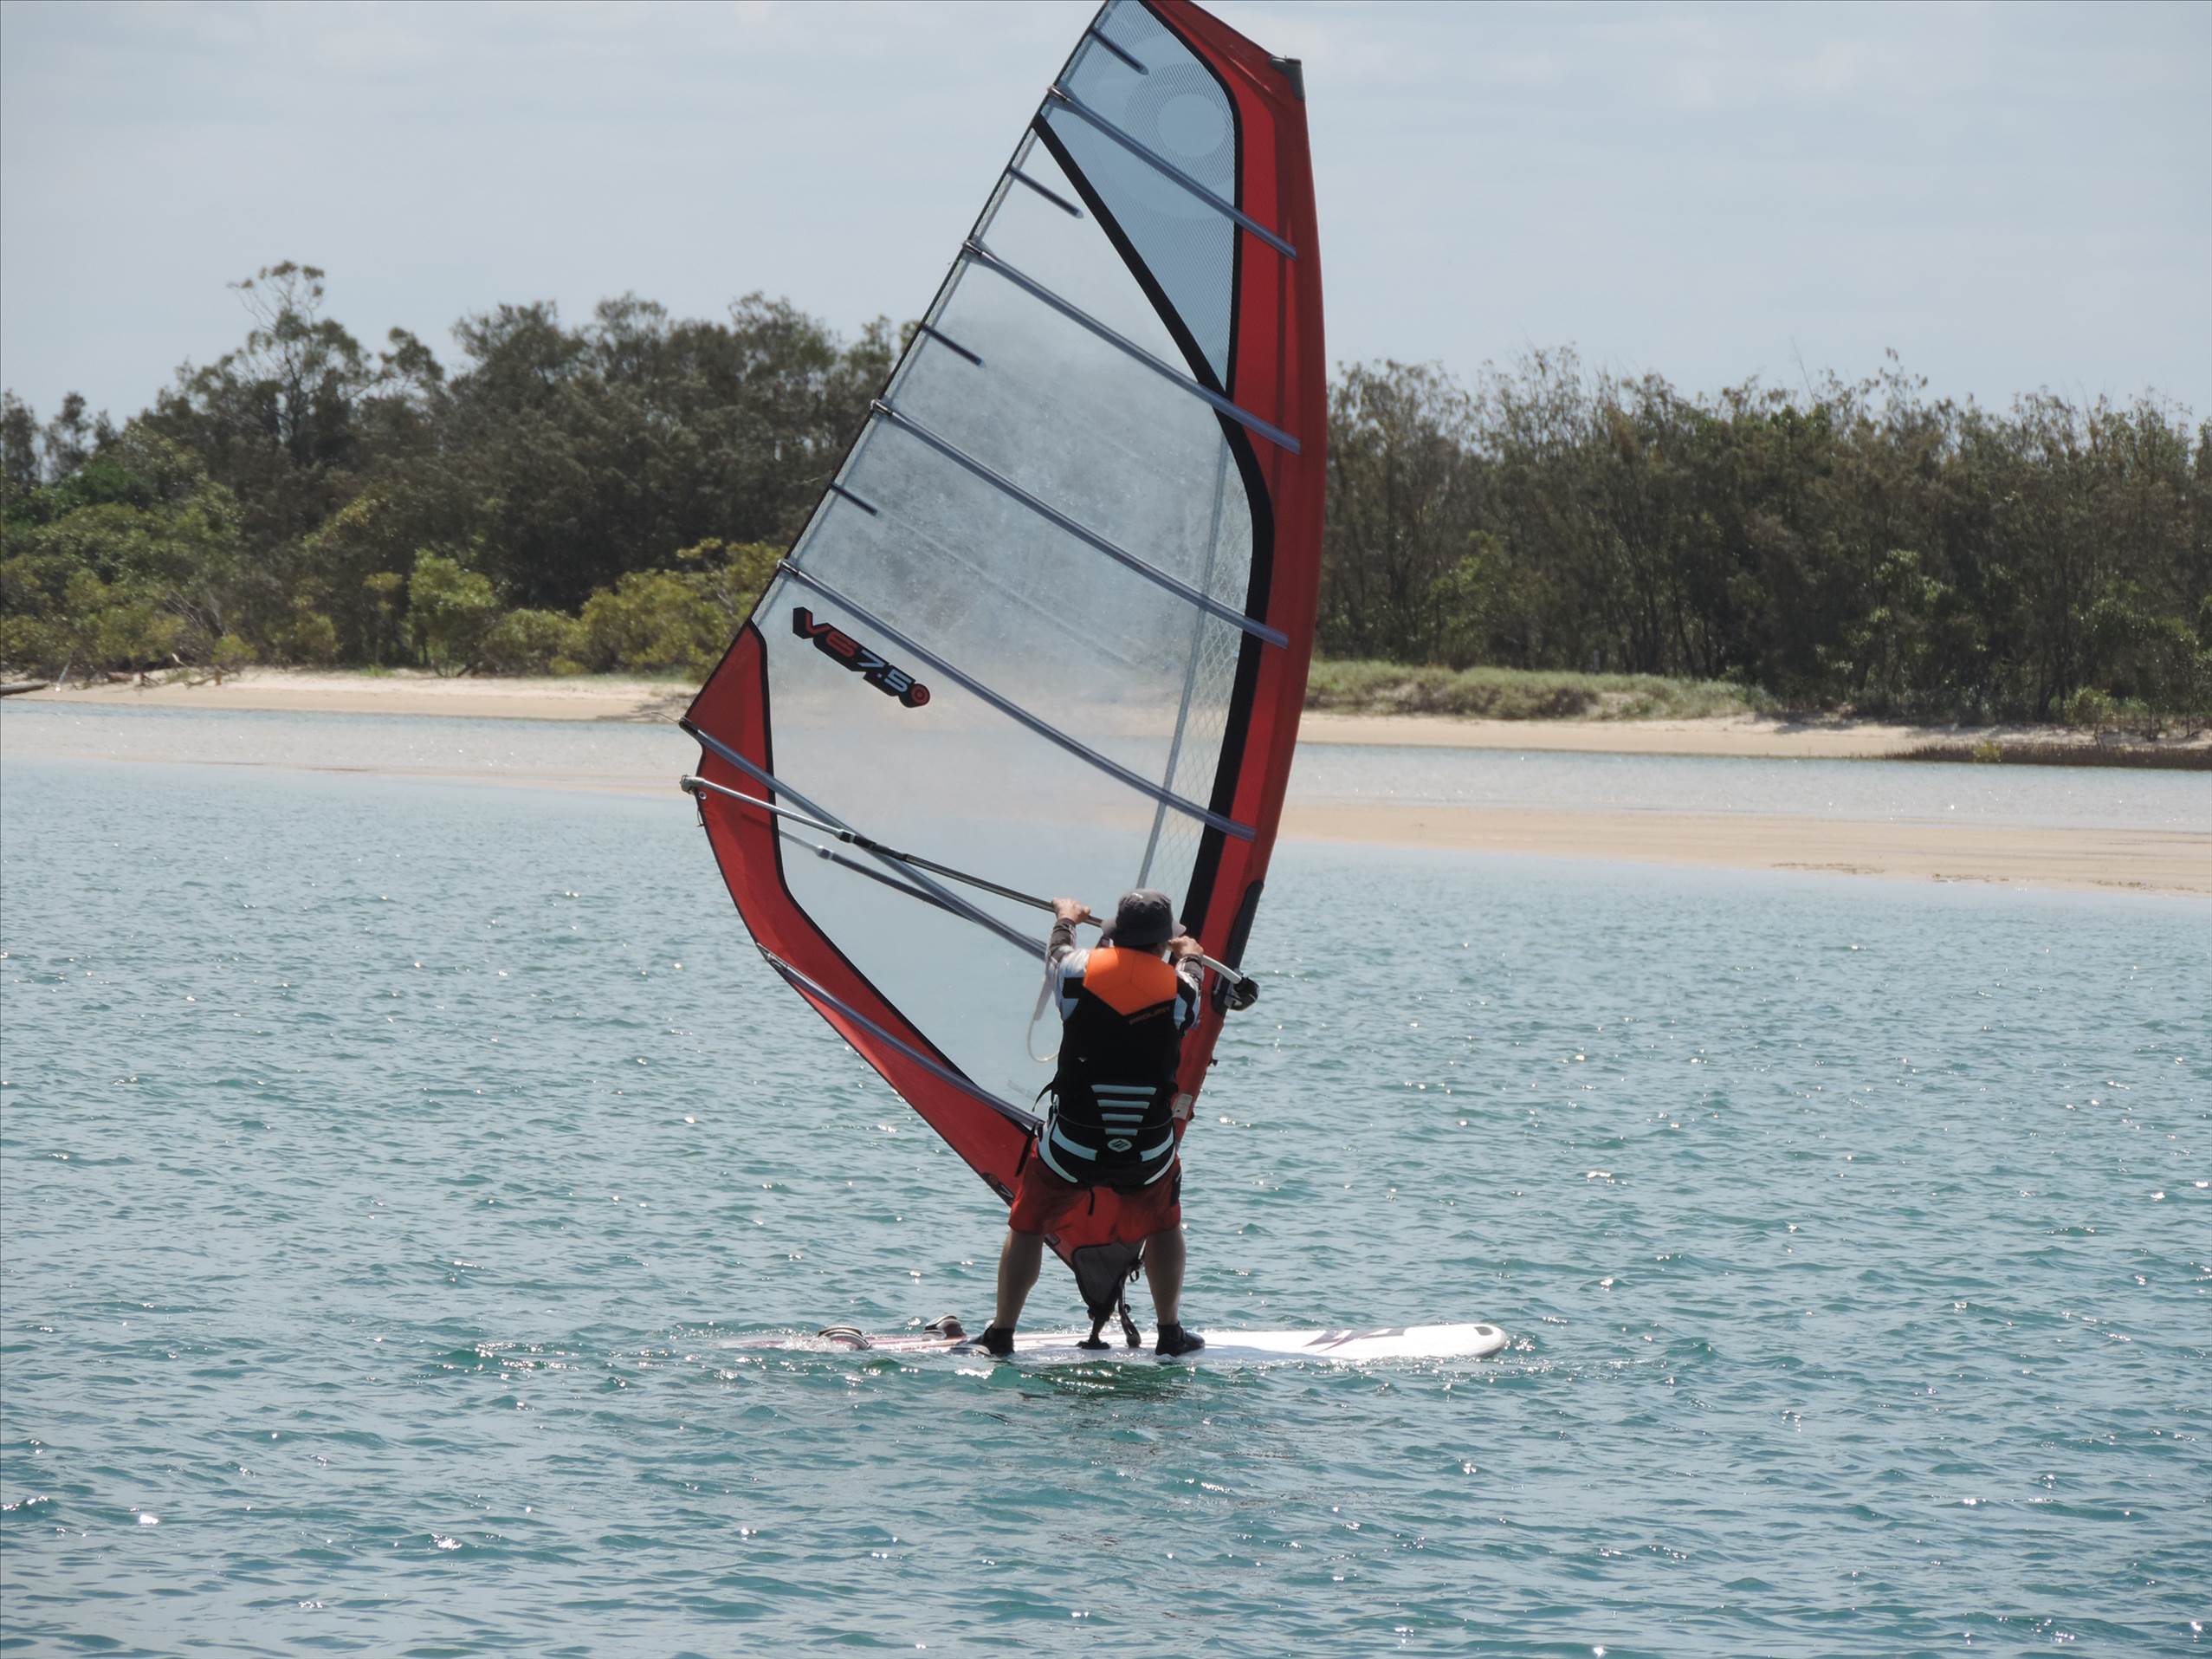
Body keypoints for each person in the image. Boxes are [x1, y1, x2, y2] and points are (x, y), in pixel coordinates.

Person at [973, 888, 1206, 1358]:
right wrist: (1190, 954)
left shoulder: (1076, 973)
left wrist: (1066, 917)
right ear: (1163, 942)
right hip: (1146, 1152)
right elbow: (1192, 977)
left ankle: (1001, 1334)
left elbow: (1057, 951)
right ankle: (1170, 1334)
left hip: (1073, 1146)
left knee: (1028, 1223)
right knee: (1164, 1223)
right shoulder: (1183, 991)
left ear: (1115, 935)